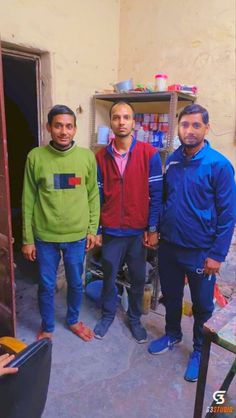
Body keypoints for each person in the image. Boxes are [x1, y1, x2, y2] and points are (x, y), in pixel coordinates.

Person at [148, 104, 236, 381]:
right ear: (178, 128)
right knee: (172, 297)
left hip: (200, 252)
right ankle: (172, 334)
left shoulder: (219, 165)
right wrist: (157, 229)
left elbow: (228, 215)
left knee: (202, 305)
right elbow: (165, 199)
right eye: (185, 125)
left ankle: (199, 350)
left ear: (206, 128)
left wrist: (217, 255)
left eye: (196, 125)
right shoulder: (173, 160)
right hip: (170, 246)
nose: (189, 130)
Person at [22, 105, 100, 341]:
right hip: (45, 237)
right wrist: (27, 239)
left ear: (75, 129)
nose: (63, 131)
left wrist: (92, 230)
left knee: (76, 284)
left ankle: (73, 320)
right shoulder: (36, 157)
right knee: (46, 285)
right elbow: (28, 199)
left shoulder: (86, 157)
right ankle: (47, 326)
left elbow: (93, 195)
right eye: (58, 125)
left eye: (68, 126)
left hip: (77, 237)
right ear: (49, 127)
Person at [94, 101, 163, 342]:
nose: (121, 122)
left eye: (126, 117)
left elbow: (156, 195)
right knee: (109, 276)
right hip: (112, 230)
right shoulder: (101, 156)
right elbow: (98, 196)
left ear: (134, 123)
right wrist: (98, 228)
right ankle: (107, 315)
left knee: (137, 279)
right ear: (111, 122)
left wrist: (152, 228)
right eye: (116, 117)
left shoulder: (149, 154)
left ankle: (134, 319)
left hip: (137, 232)